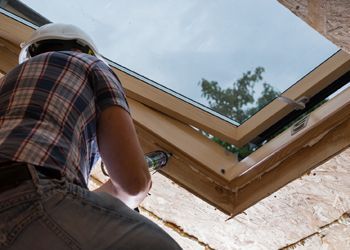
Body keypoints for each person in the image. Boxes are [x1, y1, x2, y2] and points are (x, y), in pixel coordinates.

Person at [0, 23, 181, 249]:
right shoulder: (91, 66)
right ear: (84, 50)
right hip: (24, 190)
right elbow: (133, 185)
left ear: (31, 53)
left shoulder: (6, 81)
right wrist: (122, 202)